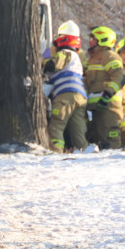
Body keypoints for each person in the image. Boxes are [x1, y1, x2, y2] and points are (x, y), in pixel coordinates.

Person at [43, 21, 88, 152]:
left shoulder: (65, 53)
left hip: (66, 96)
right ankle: (85, 151)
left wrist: (46, 57)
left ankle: (55, 151)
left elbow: (52, 66)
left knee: (57, 126)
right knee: (78, 132)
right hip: (80, 98)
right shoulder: (77, 58)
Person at [84, 26, 125, 150]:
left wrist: (107, 95)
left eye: (93, 39)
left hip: (109, 106)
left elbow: (120, 76)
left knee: (111, 142)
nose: (90, 41)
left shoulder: (109, 55)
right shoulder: (92, 59)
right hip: (97, 108)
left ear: (102, 39)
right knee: (98, 139)